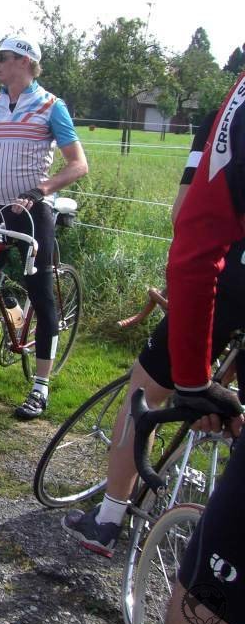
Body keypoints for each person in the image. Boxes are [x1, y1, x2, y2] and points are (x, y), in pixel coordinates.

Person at [61, 107, 245, 558]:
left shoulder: (228, 112)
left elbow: (186, 211)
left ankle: (107, 519)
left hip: (227, 279)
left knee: (144, 391)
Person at [153, 70, 245, 624]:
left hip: (224, 280)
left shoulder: (239, 99)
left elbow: (192, 235)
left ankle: (110, 514)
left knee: (207, 608)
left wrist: (191, 379)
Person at [0, 36, 88, 419]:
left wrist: (41, 189)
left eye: (3, 57)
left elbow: (78, 164)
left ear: (25, 62)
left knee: (42, 296)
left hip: (32, 212)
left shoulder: (51, 106)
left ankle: (41, 386)